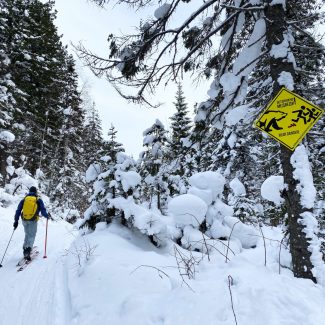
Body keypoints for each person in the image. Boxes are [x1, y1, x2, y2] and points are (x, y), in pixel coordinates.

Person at [13, 186, 49, 261]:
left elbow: (18, 210)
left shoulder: (24, 199)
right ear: (35, 192)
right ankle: (28, 250)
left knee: (27, 234)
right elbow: (43, 210)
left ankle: (25, 248)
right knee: (32, 235)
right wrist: (47, 216)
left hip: (24, 220)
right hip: (33, 220)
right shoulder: (38, 199)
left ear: (29, 192)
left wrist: (16, 221)